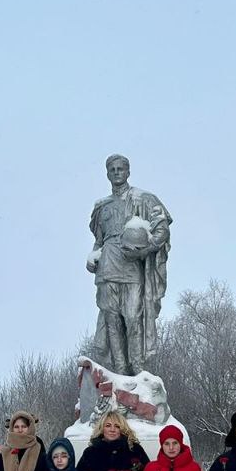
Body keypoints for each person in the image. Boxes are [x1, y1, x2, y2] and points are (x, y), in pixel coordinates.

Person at [85, 153, 173, 375]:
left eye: (120, 169)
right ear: (107, 173)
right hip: (107, 268)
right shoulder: (101, 207)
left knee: (133, 317)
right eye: (112, 169)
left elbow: (162, 228)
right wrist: (93, 258)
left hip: (131, 267)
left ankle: (138, 368)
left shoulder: (144, 199)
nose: (116, 172)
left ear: (128, 172)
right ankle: (120, 370)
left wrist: (146, 248)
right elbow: (99, 241)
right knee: (112, 320)